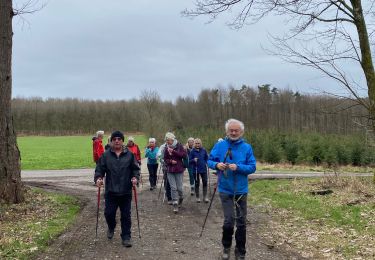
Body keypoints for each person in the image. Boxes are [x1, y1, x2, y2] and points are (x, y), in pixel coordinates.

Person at [207, 119, 256, 260]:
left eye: (236, 130)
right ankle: (226, 247)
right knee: (229, 221)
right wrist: (217, 165)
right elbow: (210, 160)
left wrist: (238, 167)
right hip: (225, 189)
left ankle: (241, 251)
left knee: (241, 222)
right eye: (231, 130)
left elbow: (252, 167)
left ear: (241, 132)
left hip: (241, 190)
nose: (233, 133)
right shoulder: (220, 145)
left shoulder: (247, 147)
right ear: (227, 131)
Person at [94, 130, 140, 247]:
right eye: (115, 139)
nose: (117, 141)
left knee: (126, 215)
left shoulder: (129, 155)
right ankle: (111, 226)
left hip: (126, 191)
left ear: (122, 141)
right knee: (109, 214)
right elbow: (99, 169)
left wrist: (135, 177)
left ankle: (126, 237)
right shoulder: (105, 155)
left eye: (119, 139)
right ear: (111, 141)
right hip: (111, 191)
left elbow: (135, 169)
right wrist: (98, 178)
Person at [163, 132, 187, 214]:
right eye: (166, 140)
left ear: (172, 139)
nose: (167, 142)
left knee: (179, 188)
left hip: (179, 169)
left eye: (168, 140)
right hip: (170, 170)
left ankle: (181, 197)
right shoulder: (166, 148)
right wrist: (170, 161)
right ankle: (175, 204)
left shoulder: (179, 146)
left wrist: (173, 151)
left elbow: (183, 155)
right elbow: (165, 158)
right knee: (173, 188)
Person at [189, 138, 209, 203]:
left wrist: (206, 162)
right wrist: (193, 160)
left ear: (200, 144)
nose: (197, 145)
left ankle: (205, 197)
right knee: (197, 183)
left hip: (203, 169)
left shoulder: (204, 150)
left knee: (205, 182)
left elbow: (207, 158)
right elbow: (189, 161)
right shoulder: (192, 151)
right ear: (194, 144)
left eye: (199, 143)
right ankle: (197, 197)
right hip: (196, 169)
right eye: (196, 143)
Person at [157, 138, 172, 204]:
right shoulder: (162, 147)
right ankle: (168, 195)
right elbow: (158, 155)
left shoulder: (174, 146)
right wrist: (162, 160)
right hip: (165, 166)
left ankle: (172, 194)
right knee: (167, 181)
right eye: (167, 140)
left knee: (172, 181)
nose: (168, 141)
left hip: (173, 167)